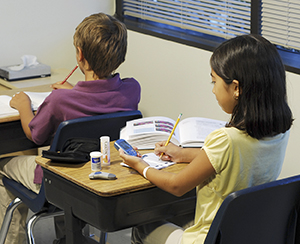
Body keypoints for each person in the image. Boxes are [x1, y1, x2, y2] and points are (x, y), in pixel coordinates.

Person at [119, 34, 293, 244]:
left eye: (214, 81)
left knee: (143, 226)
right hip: (247, 235)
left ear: (236, 88)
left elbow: (176, 186)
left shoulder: (226, 139)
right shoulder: (280, 130)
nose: (212, 90)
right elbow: (232, 159)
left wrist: (141, 166)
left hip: (209, 239)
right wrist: (182, 154)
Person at [0, 12, 140, 244]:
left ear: (80, 55)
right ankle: (67, 236)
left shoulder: (59, 102)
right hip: (96, 177)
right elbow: (100, 100)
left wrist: (24, 105)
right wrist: (74, 92)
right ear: (121, 56)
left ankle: (13, 239)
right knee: (66, 163)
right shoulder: (132, 89)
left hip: (56, 182)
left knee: (3, 167)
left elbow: (34, 135)